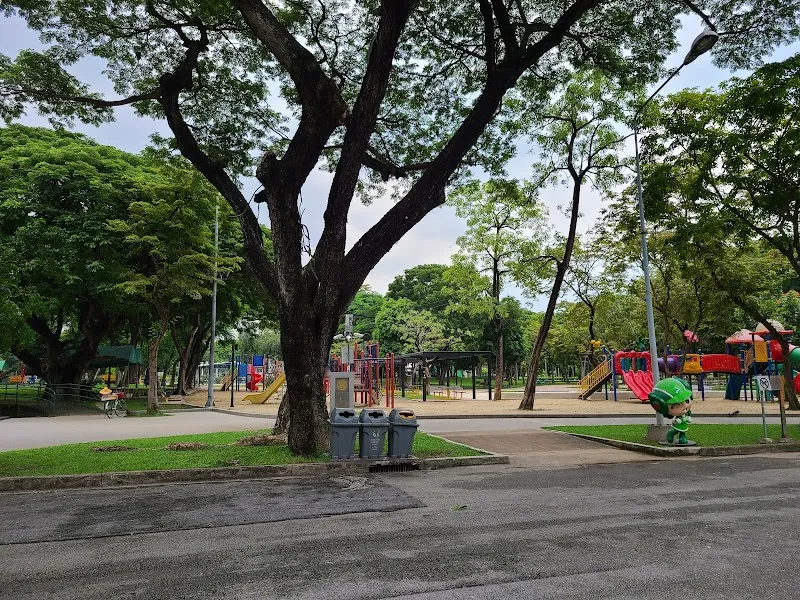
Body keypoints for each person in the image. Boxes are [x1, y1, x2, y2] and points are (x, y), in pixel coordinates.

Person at [648, 377, 693, 445]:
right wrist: (676, 421)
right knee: (676, 430)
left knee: (682, 431)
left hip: (683, 423)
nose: (685, 406)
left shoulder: (687, 412)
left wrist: (688, 418)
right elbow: (676, 420)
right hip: (679, 423)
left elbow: (689, 413)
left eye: (687, 401)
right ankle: (671, 433)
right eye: (677, 405)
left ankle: (682, 437)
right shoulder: (676, 415)